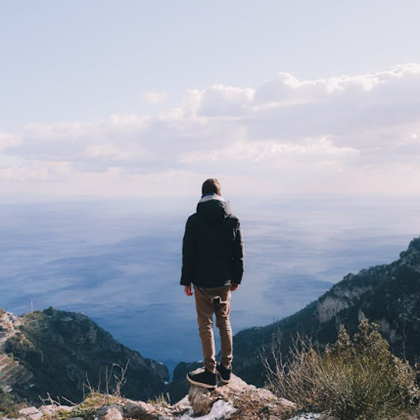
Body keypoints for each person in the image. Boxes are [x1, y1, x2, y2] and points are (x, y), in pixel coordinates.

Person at [180, 178, 244, 389]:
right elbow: (238, 253)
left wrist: (186, 281)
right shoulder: (233, 220)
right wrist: (237, 278)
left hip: (202, 283)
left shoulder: (194, 221)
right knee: (224, 323)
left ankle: (209, 372)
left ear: (202, 195)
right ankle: (226, 369)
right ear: (220, 194)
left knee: (205, 325)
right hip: (224, 282)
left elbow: (188, 253)